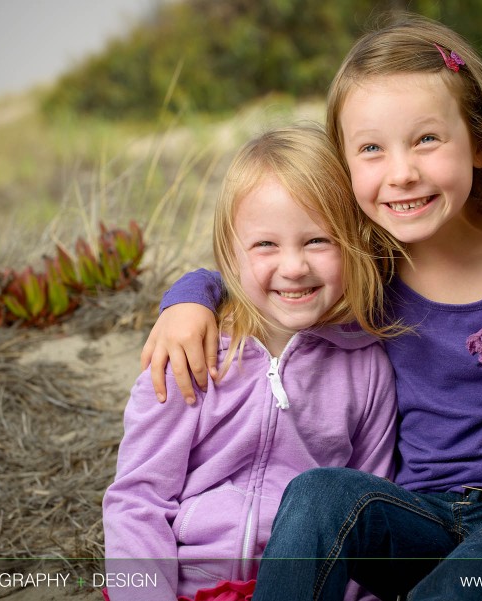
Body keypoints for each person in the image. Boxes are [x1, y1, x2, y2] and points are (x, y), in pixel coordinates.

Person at [139, 13, 482, 601]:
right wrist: (189, 296)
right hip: (421, 516)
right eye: (371, 149)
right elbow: (275, 273)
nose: (401, 173)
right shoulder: (369, 263)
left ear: (480, 143)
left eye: (427, 139)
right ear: (346, 170)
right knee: (320, 493)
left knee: (462, 586)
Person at [102, 125, 399, 601]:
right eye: (266, 245)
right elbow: (139, 500)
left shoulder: (366, 367)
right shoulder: (192, 353)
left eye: (318, 240)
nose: (294, 266)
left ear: (354, 242)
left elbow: (365, 507)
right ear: (230, 254)